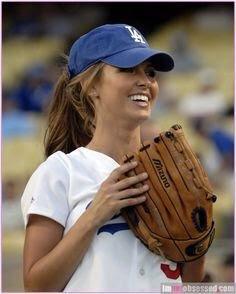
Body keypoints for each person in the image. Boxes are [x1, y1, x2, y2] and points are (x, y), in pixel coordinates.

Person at [21, 24, 205, 292]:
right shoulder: (62, 170)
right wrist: (96, 214)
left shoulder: (171, 173)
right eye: (128, 69)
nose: (145, 81)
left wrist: (197, 243)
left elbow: (189, 286)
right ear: (90, 85)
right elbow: (36, 288)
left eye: (150, 72)